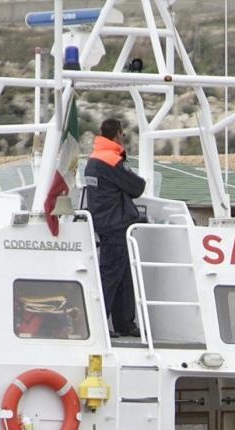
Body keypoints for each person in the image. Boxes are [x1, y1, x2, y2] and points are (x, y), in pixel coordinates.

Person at [84, 117, 146, 338]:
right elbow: (137, 187)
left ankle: (124, 323)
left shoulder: (93, 159)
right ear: (119, 134)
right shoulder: (110, 160)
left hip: (105, 223)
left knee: (123, 276)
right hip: (116, 225)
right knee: (111, 276)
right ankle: (102, 323)